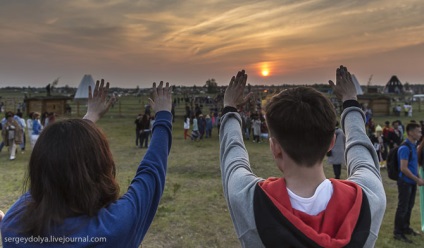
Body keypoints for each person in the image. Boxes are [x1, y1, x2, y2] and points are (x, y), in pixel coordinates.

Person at [219, 66, 386, 247]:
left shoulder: (250, 201)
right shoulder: (368, 200)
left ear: (275, 148)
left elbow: (233, 158)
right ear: (332, 142)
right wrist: (350, 101)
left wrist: (230, 108)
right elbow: (361, 152)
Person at [1, 80, 173, 247]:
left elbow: (51, 174)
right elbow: (151, 171)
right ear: (99, 166)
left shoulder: (13, 226)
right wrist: (163, 115)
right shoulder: (114, 228)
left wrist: (89, 117)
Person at [393, 122, 424, 243]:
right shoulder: (405, 148)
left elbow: (413, 165)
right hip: (405, 182)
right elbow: (403, 168)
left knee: (409, 206)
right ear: (410, 132)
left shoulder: (414, 146)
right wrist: (418, 179)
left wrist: (418, 176)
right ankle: (398, 232)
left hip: (411, 182)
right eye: (418, 131)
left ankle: (405, 227)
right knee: (402, 207)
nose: (420, 133)